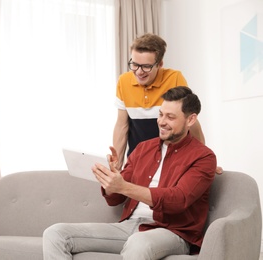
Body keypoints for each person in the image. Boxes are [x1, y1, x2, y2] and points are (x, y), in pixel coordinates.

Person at [43, 87, 217, 259]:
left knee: (138, 243)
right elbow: (115, 199)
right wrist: (111, 179)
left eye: (170, 117)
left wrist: (124, 186)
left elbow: (177, 200)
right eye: (161, 114)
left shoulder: (204, 157)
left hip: (172, 232)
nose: (162, 122)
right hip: (130, 225)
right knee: (56, 233)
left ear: (191, 120)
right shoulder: (143, 148)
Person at [113, 33, 208, 171]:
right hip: (138, 162)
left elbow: (190, 123)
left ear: (160, 64)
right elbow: (122, 126)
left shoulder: (174, 78)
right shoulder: (124, 81)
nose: (139, 72)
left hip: (172, 161)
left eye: (146, 66)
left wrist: (205, 159)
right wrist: (116, 167)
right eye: (134, 64)